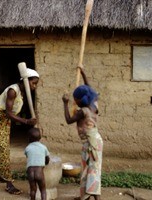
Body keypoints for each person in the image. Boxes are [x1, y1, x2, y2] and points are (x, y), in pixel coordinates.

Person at [0, 68, 39, 195]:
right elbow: (8, 113)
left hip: (4, 120)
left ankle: (0, 174)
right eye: (34, 83)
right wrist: (26, 122)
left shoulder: (21, 92)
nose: (35, 86)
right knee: (2, 148)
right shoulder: (12, 91)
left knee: (0, 146)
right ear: (26, 81)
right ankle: (9, 184)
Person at [62, 67, 103, 200]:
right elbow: (90, 90)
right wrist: (84, 74)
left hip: (90, 144)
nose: (75, 101)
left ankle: (90, 197)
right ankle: (88, 196)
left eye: (75, 99)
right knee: (94, 169)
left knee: (89, 170)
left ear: (81, 100)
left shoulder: (82, 112)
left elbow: (68, 120)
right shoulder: (94, 105)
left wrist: (65, 103)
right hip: (96, 141)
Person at [24, 127, 50, 200]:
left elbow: (28, 156)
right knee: (43, 190)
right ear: (40, 138)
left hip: (30, 172)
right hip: (39, 171)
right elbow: (47, 158)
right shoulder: (43, 147)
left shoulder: (27, 148)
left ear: (28, 138)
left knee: (33, 190)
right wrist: (45, 163)